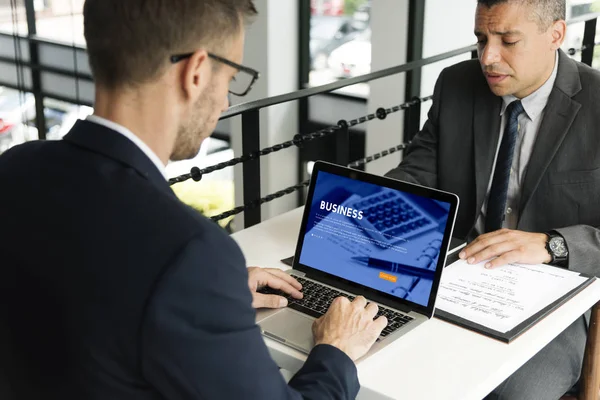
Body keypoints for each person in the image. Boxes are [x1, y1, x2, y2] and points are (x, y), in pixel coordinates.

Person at [0, 1, 388, 399]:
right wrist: (336, 350)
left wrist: (211, 298)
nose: (226, 102)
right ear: (196, 72)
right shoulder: (188, 252)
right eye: (231, 80)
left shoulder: (16, 169)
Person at [386, 0, 600, 399]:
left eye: (508, 40)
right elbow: (418, 171)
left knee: (510, 391)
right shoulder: (456, 84)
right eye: (481, 39)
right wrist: (379, 205)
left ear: (556, 34)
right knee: (384, 352)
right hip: (458, 268)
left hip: (557, 292)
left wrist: (551, 244)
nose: (488, 57)